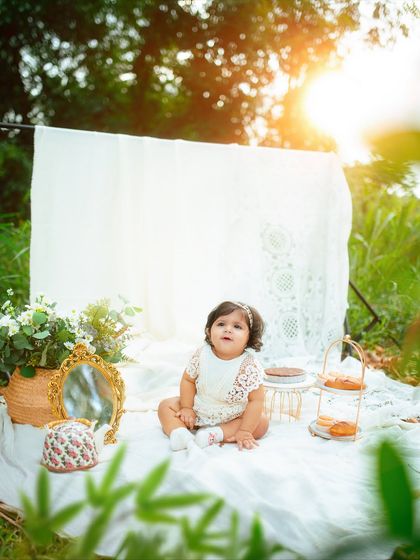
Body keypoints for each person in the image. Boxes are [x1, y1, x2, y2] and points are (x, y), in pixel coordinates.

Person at [158, 301, 269, 451]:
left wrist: (244, 431)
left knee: (261, 422)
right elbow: (188, 380)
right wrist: (186, 408)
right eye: (221, 324)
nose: (228, 329)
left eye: (237, 326)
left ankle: (214, 434)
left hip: (233, 415)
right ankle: (180, 434)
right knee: (166, 406)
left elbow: (256, 400)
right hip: (199, 409)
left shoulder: (249, 366)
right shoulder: (202, 354)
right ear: (209, 331)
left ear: (249, 338)